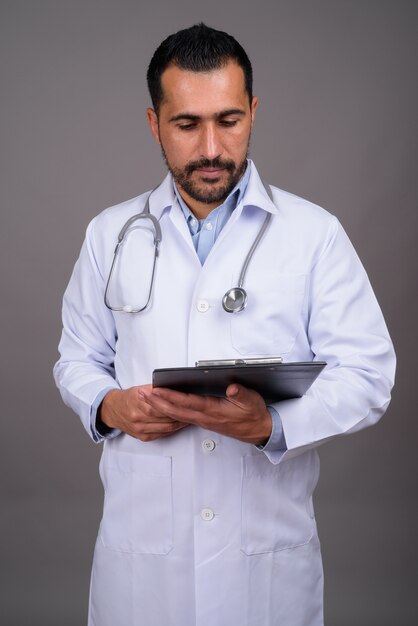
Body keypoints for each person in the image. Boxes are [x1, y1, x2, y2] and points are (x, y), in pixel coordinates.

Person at [54, 23, 395, 626]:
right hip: (144, 563)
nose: (211, 147)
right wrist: (110, 406)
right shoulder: (110, 234)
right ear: (154, 123)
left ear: (254, 112)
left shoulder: (314, 234)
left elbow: (369, 375)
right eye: (187, 124)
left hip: (263, 565)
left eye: (229, 120)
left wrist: (274, 424)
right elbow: (76, 359)